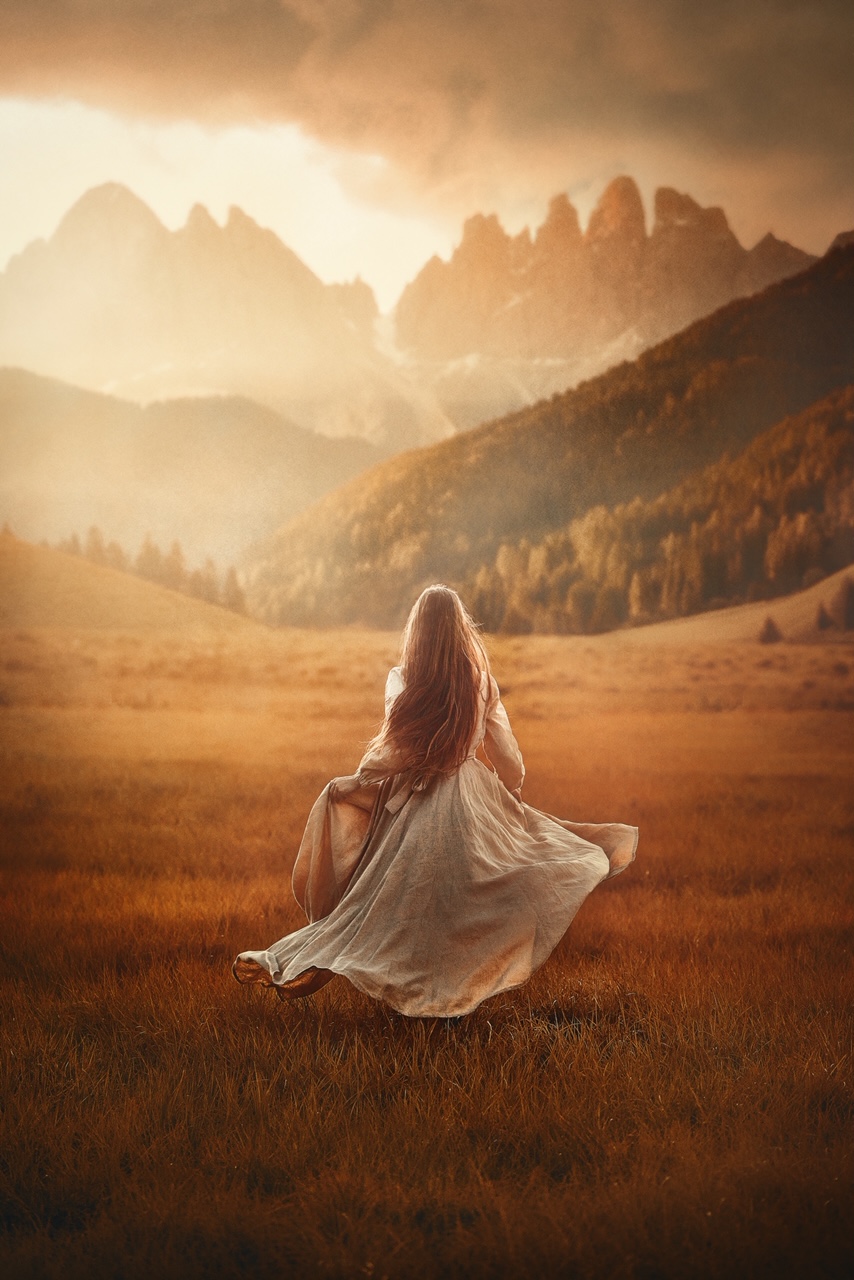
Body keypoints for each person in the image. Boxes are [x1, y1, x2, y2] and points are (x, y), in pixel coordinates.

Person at [233, 585, 637, 1018]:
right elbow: (506, 755)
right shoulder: (480, 681)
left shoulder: (404, 680)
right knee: (465, 900)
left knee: (388, 905)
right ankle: (451, 994)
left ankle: (408, 991)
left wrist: (363, 778)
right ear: (459, 628)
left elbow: (394, 749)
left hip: (414, 801)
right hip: (470, 799)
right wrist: (511, 789)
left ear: (418, 631)